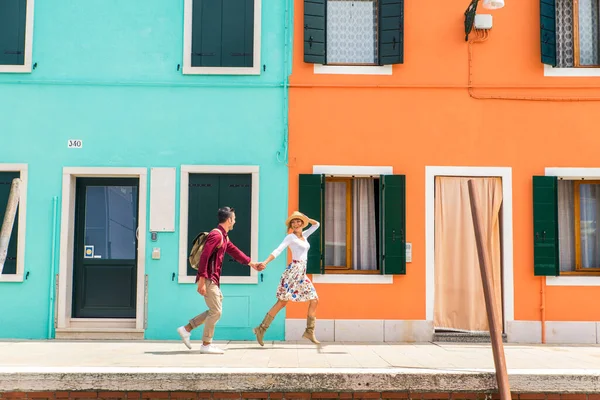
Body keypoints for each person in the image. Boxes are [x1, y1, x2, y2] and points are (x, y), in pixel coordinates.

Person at [177, 206, 264, 354]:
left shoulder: (224, 237)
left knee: (214, 310)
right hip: (209, 278)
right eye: (234, 219)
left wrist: (252, 263)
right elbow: (204, 257)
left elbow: (234, 251)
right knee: (216, 311)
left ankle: (187, 329)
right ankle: (206, 344)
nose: (235, 221)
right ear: (229, 219)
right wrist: (202, 281)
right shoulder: (216, 235)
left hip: (213, 279)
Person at [253, 211, 321, 346]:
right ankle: (261, 329)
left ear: (302, 223)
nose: (295, 224)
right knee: (282, 302)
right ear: (291, 225)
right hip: (293, 272)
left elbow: (317, 224)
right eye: (293, 222)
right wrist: (265, 262)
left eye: (298, 221)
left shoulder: (304, 236)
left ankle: (309, 331)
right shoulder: (290, 237)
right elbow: (278, 250)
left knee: (314, 300)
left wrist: (306, 217)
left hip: (301, 274)